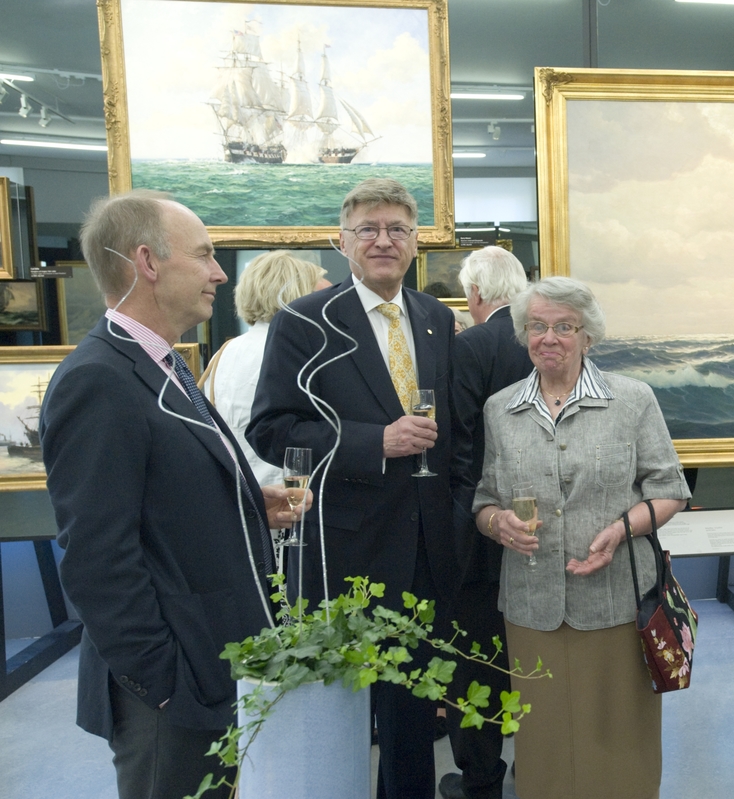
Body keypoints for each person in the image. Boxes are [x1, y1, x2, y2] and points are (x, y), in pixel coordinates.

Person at [39, 191, 305, 799]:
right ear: (148, 262)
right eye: (205, 255)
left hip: (208, 662)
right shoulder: (99, 379)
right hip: (172, 687)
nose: (219, 273)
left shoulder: (161, 363)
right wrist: (162, 683)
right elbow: (97, 557)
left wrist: (246, 507)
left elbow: (159, 499)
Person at [247, 178, 457, 799]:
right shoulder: (305, 321)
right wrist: (374, 442)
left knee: (412, 718)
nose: (383, 240)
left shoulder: (436, 319)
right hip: (349, 551)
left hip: (427, 548)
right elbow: (271, 430)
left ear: (415, 242)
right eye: (368, 229)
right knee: (341, 716)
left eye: (397, 229)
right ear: (343, 242)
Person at [471, 276, 690, 799]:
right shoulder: (500, 409)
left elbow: (670, 491)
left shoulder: (632, 400)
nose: (548, 338)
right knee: (543, 744)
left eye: (564, 327)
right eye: (537, 326)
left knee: (620, 740)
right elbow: (484, 499)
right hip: (532, 605)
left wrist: (620, 530)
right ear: (524, 335)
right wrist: (497, 523)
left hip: (616, 602)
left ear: (588, 336)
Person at [441, 246, 532, 799]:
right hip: (541, 528)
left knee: (476, 659)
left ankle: (480, 778)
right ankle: (539, 766)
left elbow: (457, 446)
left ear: (474, 293)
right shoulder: (550, 343)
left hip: (479, 531)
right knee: (537, 650)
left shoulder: (469, 346)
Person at [199, 250, 329, 487]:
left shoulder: (224, 352)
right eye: (316, 295)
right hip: (287, 495)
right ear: (298, 296)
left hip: (239, 490)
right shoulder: (294, 352)